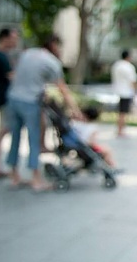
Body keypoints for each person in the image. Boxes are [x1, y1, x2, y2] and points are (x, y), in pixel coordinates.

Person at [6, 34, 81, 192]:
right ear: (53, 45)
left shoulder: (27, 53)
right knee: (34, 140)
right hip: (30, 102)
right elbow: (63, 89)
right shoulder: (51, 62)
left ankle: (14, 176)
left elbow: (15, 75)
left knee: (15, 137)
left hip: (13, 98)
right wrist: (76, 110)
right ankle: (35, 179)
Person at [0, 28, 18, 180]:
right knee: (4, 131)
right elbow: (12, 76)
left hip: (4, 99)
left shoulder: (1, 55)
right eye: (13, 38)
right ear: (5, 38)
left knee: (4, 131)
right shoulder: (0, 56)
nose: (15, 41)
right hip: (5, 99)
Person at [111, 50, 137, 137]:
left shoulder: (116, 65)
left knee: (121, 112)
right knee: (123, 113)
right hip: (126, 91)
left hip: (117, 90)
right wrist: (135, 92)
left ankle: (120, 129)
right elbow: (133, 80)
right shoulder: (128, 66)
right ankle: (121, 130)